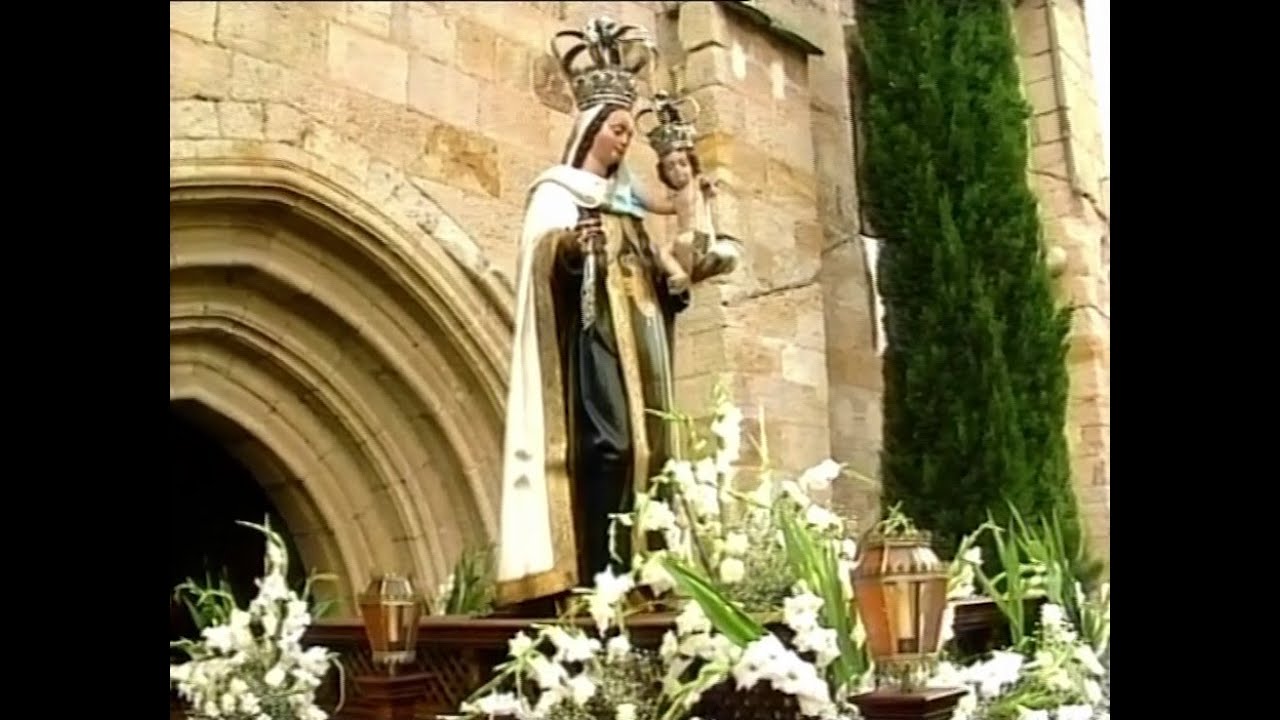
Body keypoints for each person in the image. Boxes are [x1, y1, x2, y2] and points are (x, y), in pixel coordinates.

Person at [493, 17, 740, 609]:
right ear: (591, 131)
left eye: (630, 131)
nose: (624, 141)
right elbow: (541, 261)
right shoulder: (557, 192)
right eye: (617, 130)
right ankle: (595, 573)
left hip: (643, 349)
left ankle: (641, 572)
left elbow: (656, 273)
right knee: (608, 447)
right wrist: (573, 249)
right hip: (589, 347)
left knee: (653, 450)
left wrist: (676, 283)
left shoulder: (624, 205)